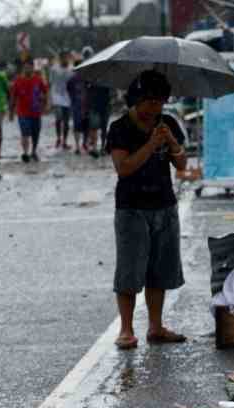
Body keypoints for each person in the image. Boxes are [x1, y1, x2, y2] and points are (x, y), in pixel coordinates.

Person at [106, 70, 188, 350]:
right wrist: (151, 144)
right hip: (132, 208)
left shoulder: (168, 123)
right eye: (149, 102)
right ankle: (126, 330)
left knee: (159, 270)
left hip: (164, 205)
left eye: (160, 102)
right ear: (136, 100)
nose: (154, 108)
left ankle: (156, 326)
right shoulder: (120, 129)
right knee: (129, 270)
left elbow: (181, 165)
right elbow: (124, 168)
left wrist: (172, 143)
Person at [8, 57, 48, 163]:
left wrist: (45, 105)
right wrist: (11, 112)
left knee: (35, 133)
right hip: (22, 112)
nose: (27, 69)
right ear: (23, 68)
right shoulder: (18, 81)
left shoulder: (38, 80)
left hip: (36, 112)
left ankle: (33, 151)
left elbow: (45, 92)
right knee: (25, 133)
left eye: (30, 67)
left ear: (32, 68)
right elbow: (13, 97)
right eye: (26, 67)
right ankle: (25, 153)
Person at [48, 51, 73, 150]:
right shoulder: (54, 69)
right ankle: (58, 138)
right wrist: (49, 98)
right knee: (59, 118)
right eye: (63, 58)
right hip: (56, 96)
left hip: (68, 98)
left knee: (66, 122)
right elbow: (50, 83)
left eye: (67, 57)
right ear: (60, 58)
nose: (65, 60)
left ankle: (65, 141)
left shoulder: (72, 69)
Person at [87, 80, 113, 158]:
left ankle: (102, 147)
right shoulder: (91, 80)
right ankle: (95, 147)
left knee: (104, 128)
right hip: (95, 107)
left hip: (105, 107)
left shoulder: (108, 81)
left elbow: (111, 93)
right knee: (94, 127)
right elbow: (88, 93)